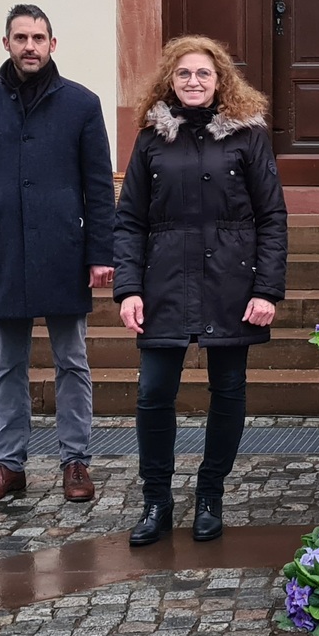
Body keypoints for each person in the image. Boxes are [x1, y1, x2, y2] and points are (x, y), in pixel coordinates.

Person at [114, 36, 288, 547]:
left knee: (228, 392)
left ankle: (210, 494)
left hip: (230, 285)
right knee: (153, 393)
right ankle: (157, 499)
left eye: (204, 74)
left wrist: (267, 290)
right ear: (170, 79)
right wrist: (128, 289)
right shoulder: (151, 137)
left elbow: (272, 217)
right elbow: (129, 221)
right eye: (184, 73)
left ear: (220, 81)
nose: (193, 81)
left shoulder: (248, 136)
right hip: (164, 282)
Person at [0, 3, 115, 505]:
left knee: (72, 359)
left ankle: (75, 460)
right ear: (6, 44)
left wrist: (101, 252)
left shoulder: (82, 104)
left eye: (39, 38)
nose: (30, 46)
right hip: (2, 249)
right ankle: (9, 463)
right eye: (21, 37)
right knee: (7, 363)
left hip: (64, 250)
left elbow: (99, 189)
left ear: (53, 44)